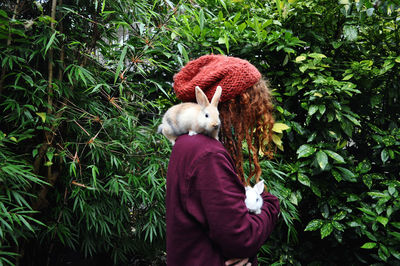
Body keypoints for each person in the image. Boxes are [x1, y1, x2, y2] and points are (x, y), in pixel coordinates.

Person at [166, 54, 280, 266]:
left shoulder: (186, 143)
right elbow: (241, 239)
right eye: (250, 102)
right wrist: (271, 205)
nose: (254, 112)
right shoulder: (208, 154)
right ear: (231, 105)